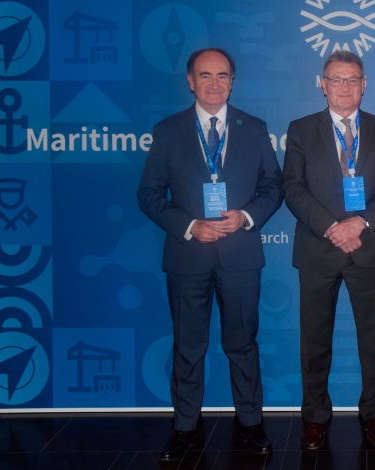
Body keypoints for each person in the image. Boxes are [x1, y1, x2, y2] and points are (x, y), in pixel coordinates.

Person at [137, 48, 285, 461]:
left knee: (243, 345)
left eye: (223, 75)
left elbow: (274, 186)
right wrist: (189, 225)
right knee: (188, 346)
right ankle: (185, 429)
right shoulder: (168, 131)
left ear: (233, 80)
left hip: (240, 255)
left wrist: (247, 217)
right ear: (190, 81)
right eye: (205, 75)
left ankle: (251, 425)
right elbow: (148, 194)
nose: (215, 83)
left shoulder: (253, 128)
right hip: (188, 257)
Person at [283, 50, 375, 450]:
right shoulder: (300, 129)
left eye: (353, 80)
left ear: (364, 85)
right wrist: (333, 227)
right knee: (314, 341)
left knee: (374, 339)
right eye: (337, 79)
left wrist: (360, 222)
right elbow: (293, 189)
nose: (345, 87)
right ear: (323, 84)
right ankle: (315, 416)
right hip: (319, 250)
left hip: (368, 248)